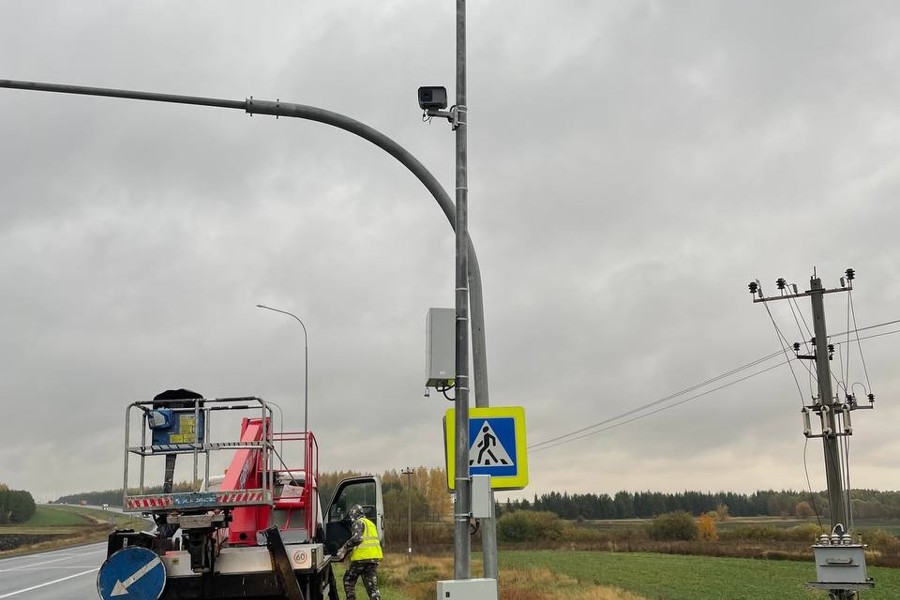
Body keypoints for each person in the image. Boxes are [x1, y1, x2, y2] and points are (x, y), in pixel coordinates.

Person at [335, 504, 382, 600]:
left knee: (348, 580)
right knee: (372, 587)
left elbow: (357, 539)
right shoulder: (370, 524)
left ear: (354, 515)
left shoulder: (359, 523)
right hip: (373, 559)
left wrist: (344, 549)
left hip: (361, 558)